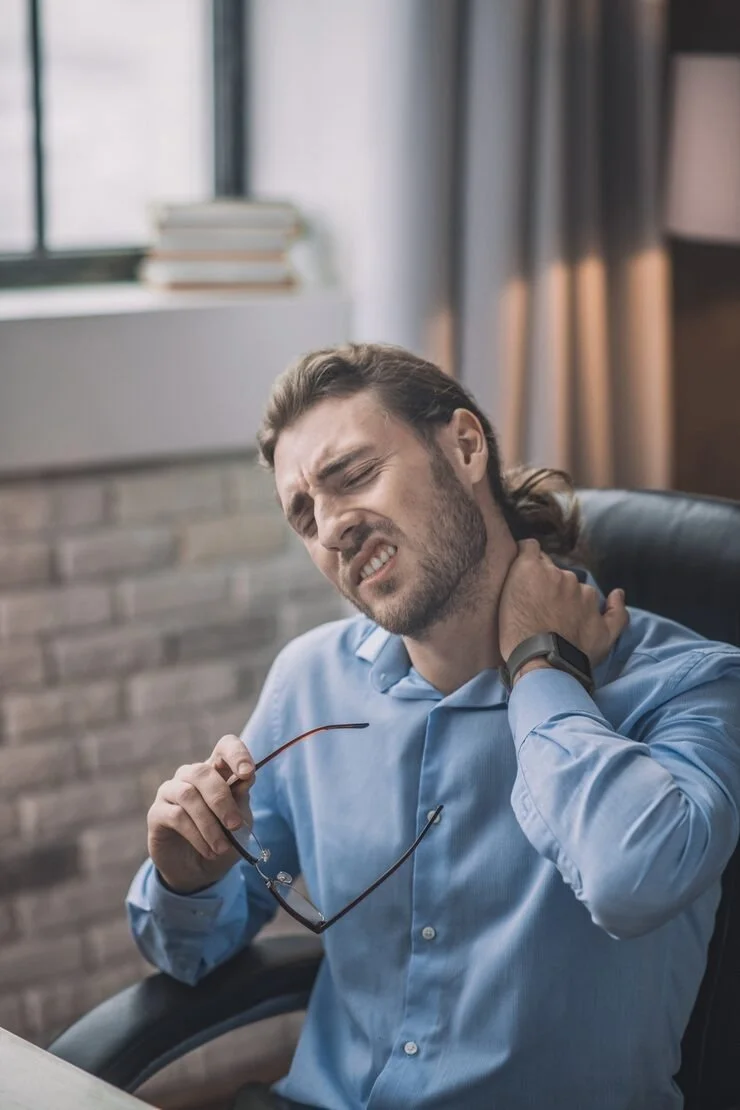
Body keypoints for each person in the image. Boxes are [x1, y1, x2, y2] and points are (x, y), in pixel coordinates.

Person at [127, 343, 740, 1110]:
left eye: (353, 475)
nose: (332, 527)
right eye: (304, 514)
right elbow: (191, 955)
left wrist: (539, 666)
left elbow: (633, 881)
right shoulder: (311, 682)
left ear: (465, 445)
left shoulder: (692, 680)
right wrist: (189, 877)